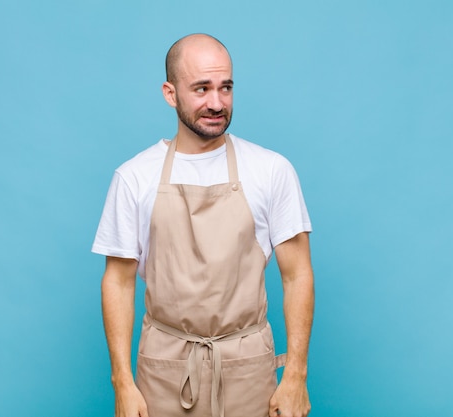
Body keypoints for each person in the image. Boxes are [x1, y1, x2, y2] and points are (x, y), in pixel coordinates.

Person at [93, 33, 315, 417]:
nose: (216, 102)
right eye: (201, 88)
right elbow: (118, 280)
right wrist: (122, 382)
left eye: (225, 87)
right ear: (170, 92)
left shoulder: (271, 170)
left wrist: (296, 375)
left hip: (248, 370)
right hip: (164, 370)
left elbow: (297, 275)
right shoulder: (134, 177)